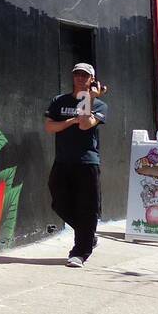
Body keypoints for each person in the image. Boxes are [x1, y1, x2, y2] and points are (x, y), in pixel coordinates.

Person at [44, 63, 108, 267]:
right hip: (63, 161)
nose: (80, 78)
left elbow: (84, 124)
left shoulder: (98, 105)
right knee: (59, 202)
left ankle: (80, 252)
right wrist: (69, 121)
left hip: (87, 163)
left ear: (92, 80)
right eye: (77, 74)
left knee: (87, 209)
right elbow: (50, 127)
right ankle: (88, 235)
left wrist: (90, 97)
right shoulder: (58, 101)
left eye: (85, 75)